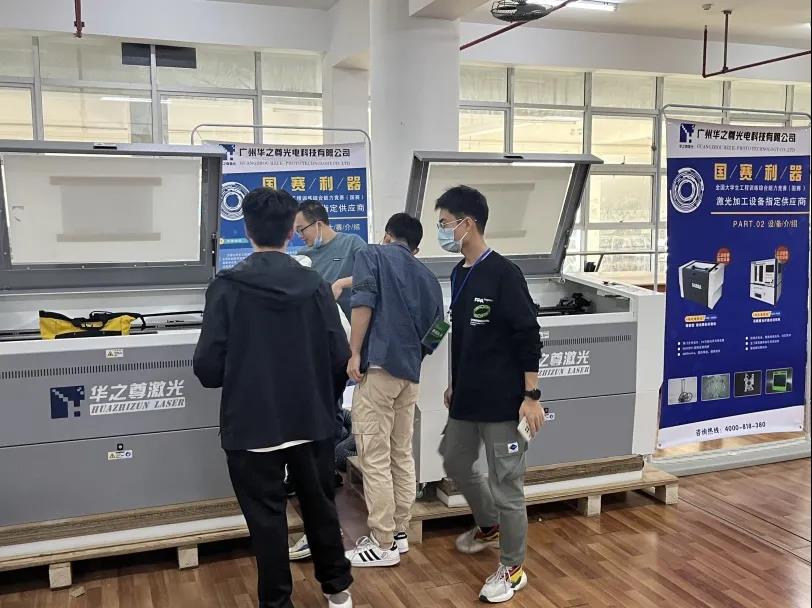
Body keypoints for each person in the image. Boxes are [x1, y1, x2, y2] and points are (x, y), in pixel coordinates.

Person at [193, 187, 353, 608]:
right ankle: (338, 591)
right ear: (289, 233)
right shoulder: (316, 286)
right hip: (311, 421)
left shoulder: (225, 287)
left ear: (247, 230)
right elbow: (340, 356)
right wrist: (324, 402)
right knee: (320, 507)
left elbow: (207, 368)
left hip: (251, 425)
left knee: (266, 521)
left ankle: (277, 603)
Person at [435, 186, 543, 604]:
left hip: (502, 401)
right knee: (454, 460)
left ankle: (513, 568)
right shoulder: (459, 272)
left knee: (506, 485)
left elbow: (528, 334)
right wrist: (454, 381)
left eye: (445, 223)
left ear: (468, 223)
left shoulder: (504, 273)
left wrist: (531, 395)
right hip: (467, 395)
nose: (442, 231)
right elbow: (462, 336)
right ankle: (489, 524)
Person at [343, 213, 444, 568]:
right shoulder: (428, 276)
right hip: (409, 375)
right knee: (401, 453)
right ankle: (400, 531)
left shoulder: (370, 254)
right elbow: (439, 329)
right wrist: (415, 353)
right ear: (414, 247)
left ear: (387, 235)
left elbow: (363, 303)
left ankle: (382, 542)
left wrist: (355, 352)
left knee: (374, 456)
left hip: (379, 370)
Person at [295, 200, 367, 318]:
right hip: (319, 321)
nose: (300, 236)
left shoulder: (352, 243)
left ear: (318, 224)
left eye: (301, 230)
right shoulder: (303, 255)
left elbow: (371, 275)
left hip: (352, 323)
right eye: (297, 232)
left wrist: (341, 283)